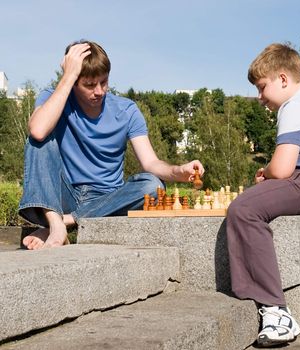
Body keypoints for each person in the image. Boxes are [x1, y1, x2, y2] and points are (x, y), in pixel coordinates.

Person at [18, 40, 204, 250]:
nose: (99, 91)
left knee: (153, 185)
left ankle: (63, 223)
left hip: (107, 199)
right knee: (37, 140)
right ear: (73, 82)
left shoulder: (127, 111)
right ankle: (55, 223)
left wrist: (178, 170)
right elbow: (38, 130)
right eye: (89, 85)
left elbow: (150, 162)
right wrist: (68, 77)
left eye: (104, 82)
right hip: (63, 195)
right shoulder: (54, 97)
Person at [226, 43, 300, 347]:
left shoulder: (296, 105)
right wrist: (270, 176)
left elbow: (281, 168)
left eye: (262, 87)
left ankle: (277, 312)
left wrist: (267, 172)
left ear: (282, 79)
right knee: (253, 200)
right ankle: (269, 303)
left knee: (244, 208)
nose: (260, 96)